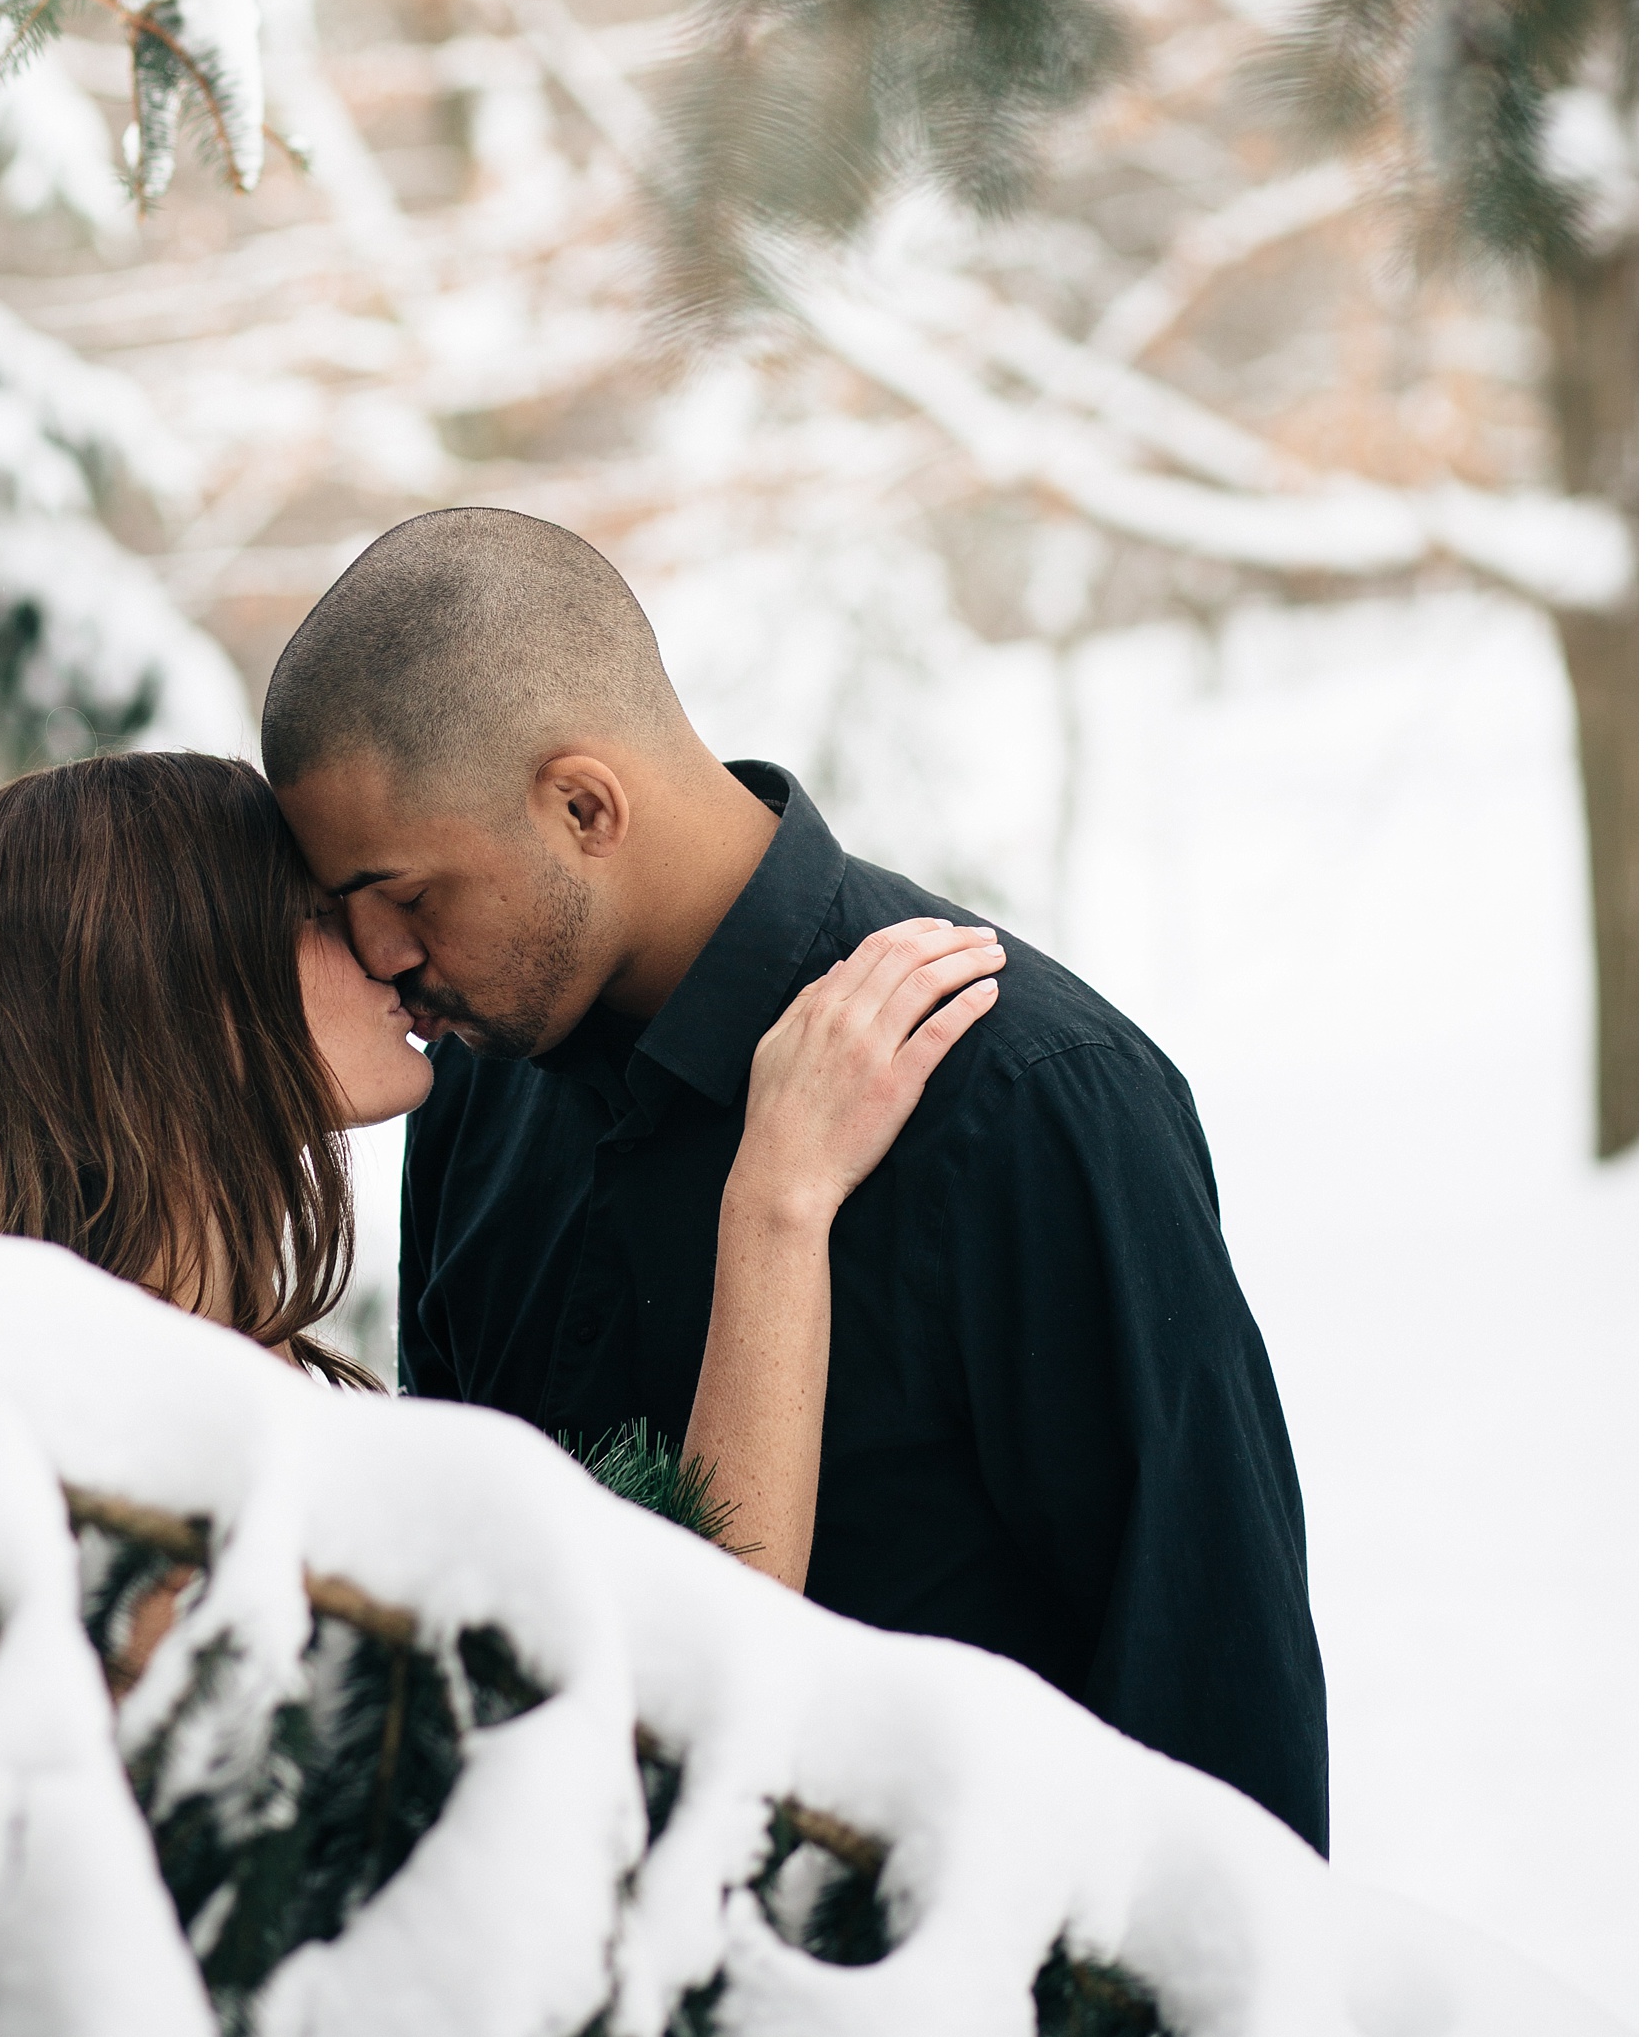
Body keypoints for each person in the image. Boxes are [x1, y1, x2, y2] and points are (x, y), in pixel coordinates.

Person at [262, 507, 1331, 1855]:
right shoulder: (479, 1083)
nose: (378, 957)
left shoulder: (1024, 1092)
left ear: (583, 805)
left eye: (402, 892)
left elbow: (1213, 1700)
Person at [0, 751, 995, 1544]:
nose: (387, 949)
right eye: (325, 911)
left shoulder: (186, 1364)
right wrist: (779, 1200)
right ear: (178, 994)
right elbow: (659, 1720)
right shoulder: (142, 1444)